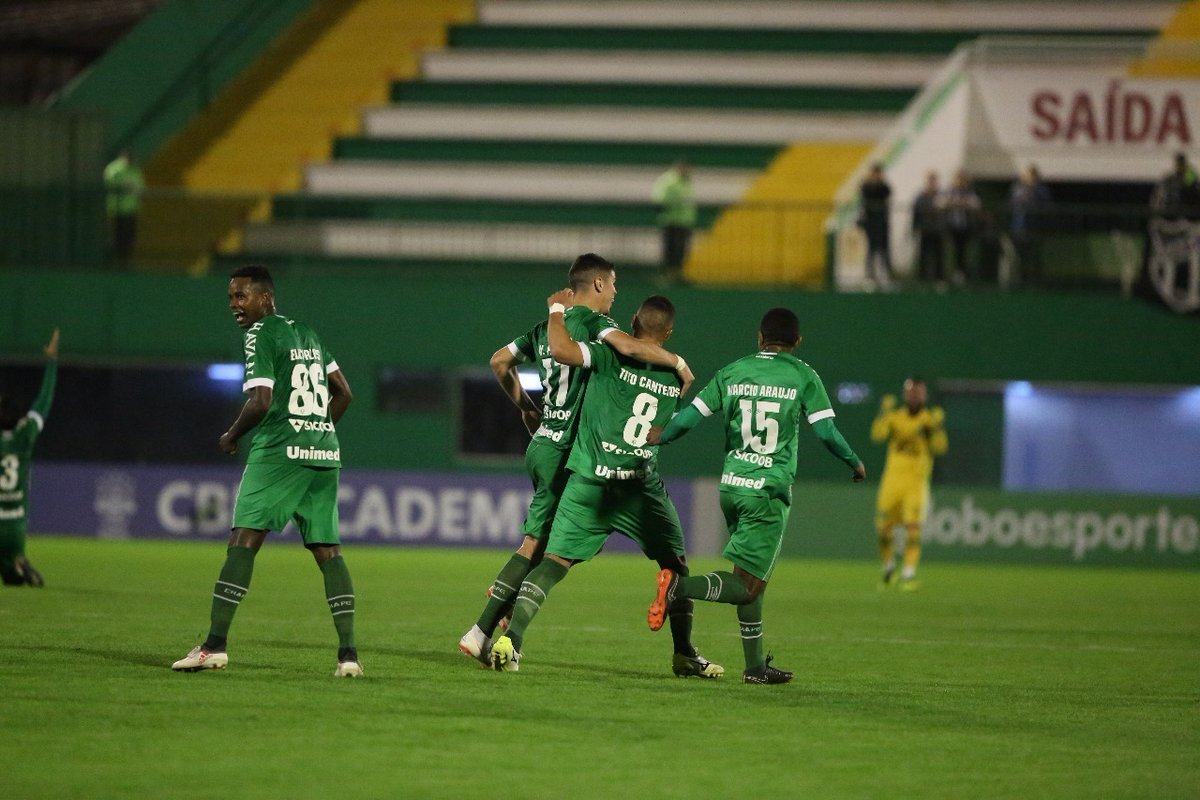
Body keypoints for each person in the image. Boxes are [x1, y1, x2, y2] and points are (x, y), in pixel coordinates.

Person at [458, 253, 695, 671]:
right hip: (570, 450)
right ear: (600, 285)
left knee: (541, 544)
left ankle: (498, 624)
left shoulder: (544, 327)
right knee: (543, 550)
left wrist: (527, 408)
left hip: (543, 440)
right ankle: (484, 633)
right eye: (615, 284)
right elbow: (622, 348)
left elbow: (499, 361)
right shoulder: (602, 328)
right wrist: (677, 363)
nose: (617, 293)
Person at [645, 308, 866, 685]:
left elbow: (691, 416)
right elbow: (826, 432)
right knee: (746, 587)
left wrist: (661, 434)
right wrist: (854, 461)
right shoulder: (802, 375)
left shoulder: (733, 371)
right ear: (796, 342)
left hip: (732, 487)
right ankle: (678, 587)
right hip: (766, 491)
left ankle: (754, 667)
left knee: (752, 580)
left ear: (760, 338)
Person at [171, 265, 362, 677]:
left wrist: (231, 434)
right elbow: (344, 393)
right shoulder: (308, 331)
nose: (234, 306)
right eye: (230, 298)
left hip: (279, 451)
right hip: (324, 454)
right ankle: (348, 656)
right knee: (329, 551)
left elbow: (260, 401)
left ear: (264, 298)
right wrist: (317, 429)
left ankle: (214, 647)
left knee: (243, 540)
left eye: (241, 296)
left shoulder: (260, 334)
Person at [871, 378, 947, 591]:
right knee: (884, 530)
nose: (914, 396)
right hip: (892, 482)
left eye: (918, 392)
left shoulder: (929, 421)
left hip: (916, 483)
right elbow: (877, 436)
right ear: (905, 394)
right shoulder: (895, 418)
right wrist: (883, 413)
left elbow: (940, 448)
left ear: (925, 395)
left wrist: (937, 428)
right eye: (911, 392)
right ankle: (888, 569)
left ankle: (908, 574)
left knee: (913, 530)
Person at [0, 329, 59, 587]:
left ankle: (14, 567)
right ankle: (18, 562)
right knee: (10, 577)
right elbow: (43, 401)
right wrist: (52, 362)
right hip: (16, 527)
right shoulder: (25, 436)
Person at [651, 160, 696, 282]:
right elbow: (660, 199)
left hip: (684, 222)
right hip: (672, 221)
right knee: (671, 250)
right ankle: (668, 275)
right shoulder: (669, 181)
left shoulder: (685, 182)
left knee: (681, 250)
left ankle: (677, 275)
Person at [1008, 164, 1052, 288]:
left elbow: (1046, 204)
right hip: (1018, 227)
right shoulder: (1016, 188)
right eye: (1026, 174)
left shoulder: (1041, 189)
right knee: (1019, 255)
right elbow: (1011, 203)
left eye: (1031, 175)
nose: (1028, 177)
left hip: (1035, 227)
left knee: (1035, 255)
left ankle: (1035, 281)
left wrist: (1031, 192)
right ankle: (1021, 279)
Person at [103, 149, 145, 266]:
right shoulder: (114, 169)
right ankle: (113, 262)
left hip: (131, 209)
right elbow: (108, 184)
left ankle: (126, 261)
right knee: (116, 236)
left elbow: (140, 186)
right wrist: (122, 187)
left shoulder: (135, 170)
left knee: (129, 236)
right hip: (116, 209)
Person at [858, 162, 896, 288]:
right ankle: (870, 274)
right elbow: (866, 194)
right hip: (870, 222)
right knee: (871, 248)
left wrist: (880, 182)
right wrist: (872, 182)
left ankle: (885, 274)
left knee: (884, 248)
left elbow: (887, 193)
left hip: (882, 221)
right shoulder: (866, 186)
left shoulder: (884, 186)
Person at [943, 170, 982, 286]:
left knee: (965, 251)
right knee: (952, 251)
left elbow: (976, 204)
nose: (960, 182)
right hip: (951, 226)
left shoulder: (969, 192)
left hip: (966, 227)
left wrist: (960, 203)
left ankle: (965, 274)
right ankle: (951, 275)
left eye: (962, 179)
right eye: (958, 179)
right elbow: (941, 203)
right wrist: (958, 203)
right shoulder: (949, 191)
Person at [911, 171, 945, 285]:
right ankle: (922, 278)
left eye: (934, 181)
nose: (932, 183)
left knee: (938, 254)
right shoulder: (921, 196)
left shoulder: (941, 196)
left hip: (938, 229)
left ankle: (939, 278)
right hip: (925, 229)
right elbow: (916, 213)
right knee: (924, 254)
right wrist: (915, 227)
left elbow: (944, 211)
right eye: (931, 181)